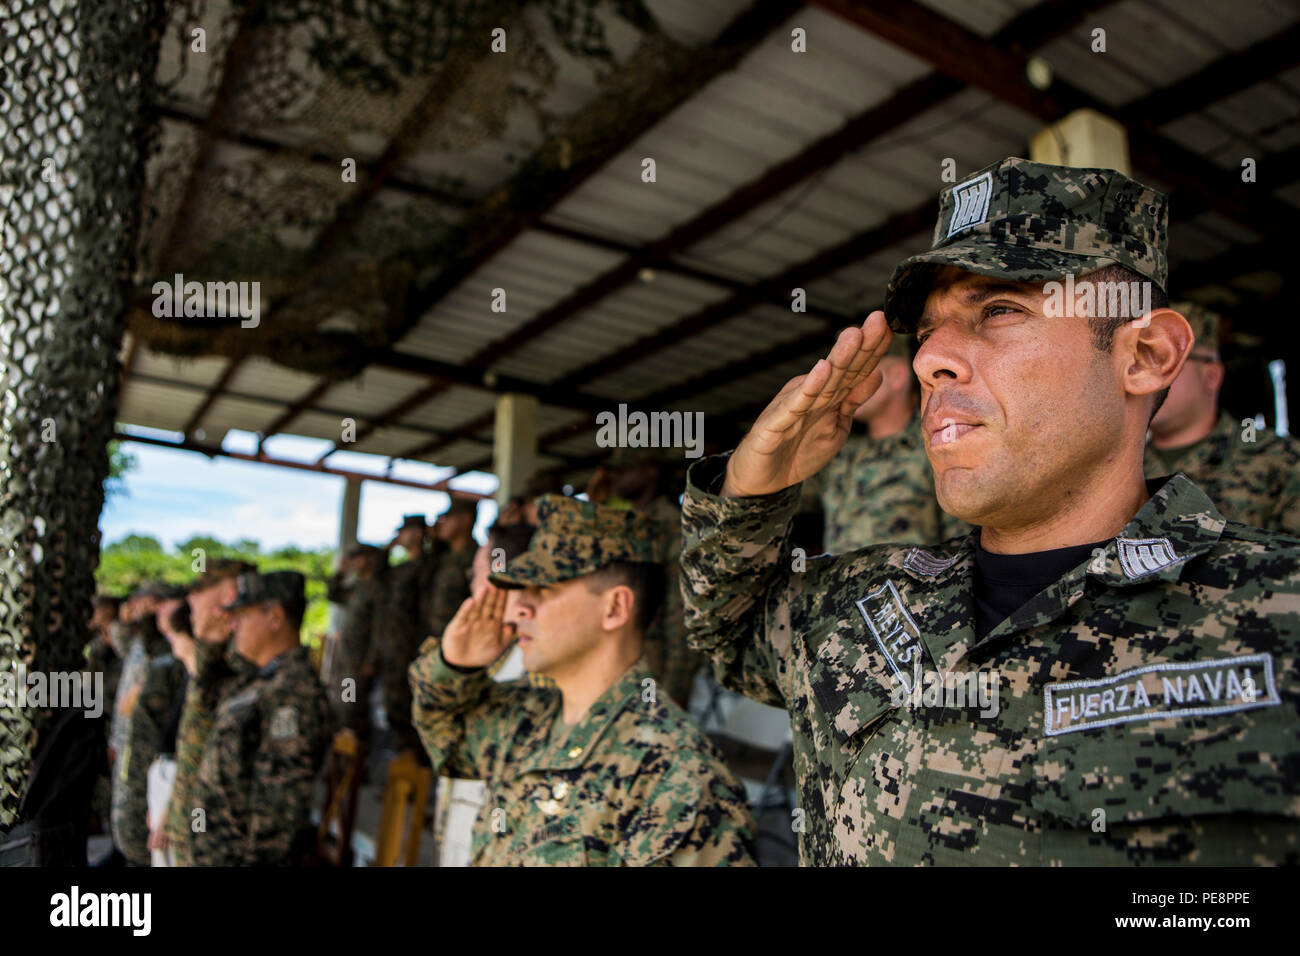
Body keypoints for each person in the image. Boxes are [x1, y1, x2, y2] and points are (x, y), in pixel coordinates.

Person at [680, 157, 1300, 865]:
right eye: (928, 331)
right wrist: (749, 491)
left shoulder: (1277, 613)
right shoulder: (863, 603)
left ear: (1146, 355)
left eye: (1000, 310)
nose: (929, 361)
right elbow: (725, 629)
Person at [409, 495, 758, 866]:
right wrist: (455, 665)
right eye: (522, 588)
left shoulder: (677, 777)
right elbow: (442, 731)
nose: (520, 606)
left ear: (614, 608)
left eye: (544, 589)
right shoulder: (526, 715)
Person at [190, 571, 333, 867]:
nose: (233, 625)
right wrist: (209, 650)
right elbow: (204, 703)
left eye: (242, 615)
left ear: (275, 618)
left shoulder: (291, 693)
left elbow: (279, 812)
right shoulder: (260, 680)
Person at [1145, 301, 1300, 534]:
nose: (1145, 375)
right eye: (1136, 363)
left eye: (1163, 359)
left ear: (1211, 376)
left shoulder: (1281, 461)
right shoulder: (1118, 469)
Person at [814, 334, 969, 552]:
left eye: (859, 372)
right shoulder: (839, 455)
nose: (846, 384)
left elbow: (963, 543)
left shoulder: (937, 444)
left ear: (897, 375)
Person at [587, 450, 700, 707]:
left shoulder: (672, 526)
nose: (614, 477)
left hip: (653, 669)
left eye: (623, 469)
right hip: (618, 664)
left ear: (651, 470)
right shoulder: (629, 525)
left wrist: (675, 687)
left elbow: (681, 612)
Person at [164, 558, 256, 866]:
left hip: (213, 843)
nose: (191, 599)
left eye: (201, 589)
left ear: (228, 595)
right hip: (191, 827)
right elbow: (190, 744)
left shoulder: (241, 665)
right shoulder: (213, 658)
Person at [109, 581, 172, 865]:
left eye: (143, 601)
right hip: (129, 739)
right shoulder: (140, 641)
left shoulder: (161, 645)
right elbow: (122, 642)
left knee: (139, 813)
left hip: (149, 749)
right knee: (125, 808)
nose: (135, 606)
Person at [377, 514, 436, 754]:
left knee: (410, 707)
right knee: (393, 704)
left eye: (405, 531)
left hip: (412, 646)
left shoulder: (428, 565)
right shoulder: (400, 569)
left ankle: (413, 762)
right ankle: (401, 756)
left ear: (419, 534)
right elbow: (378, 578)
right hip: (392, 646)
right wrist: (388, 548)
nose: (400, 536)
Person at [325, 544, 383, 740]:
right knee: (342, 702)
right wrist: (341, 572)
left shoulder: (377, 589)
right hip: (346, 655)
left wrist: (371, 659)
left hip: (358, 660)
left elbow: (379, 628)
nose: (354, 562)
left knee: (351, 706)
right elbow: (333, 594)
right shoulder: (356, 587)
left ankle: (356, 754)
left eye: (358, 557)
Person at [425, 498, 479, 639]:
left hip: (461, 639)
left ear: (466, 520)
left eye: (446, 518)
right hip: (435, 638)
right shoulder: (443, 557)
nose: (440, 523)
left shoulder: (480, 558)